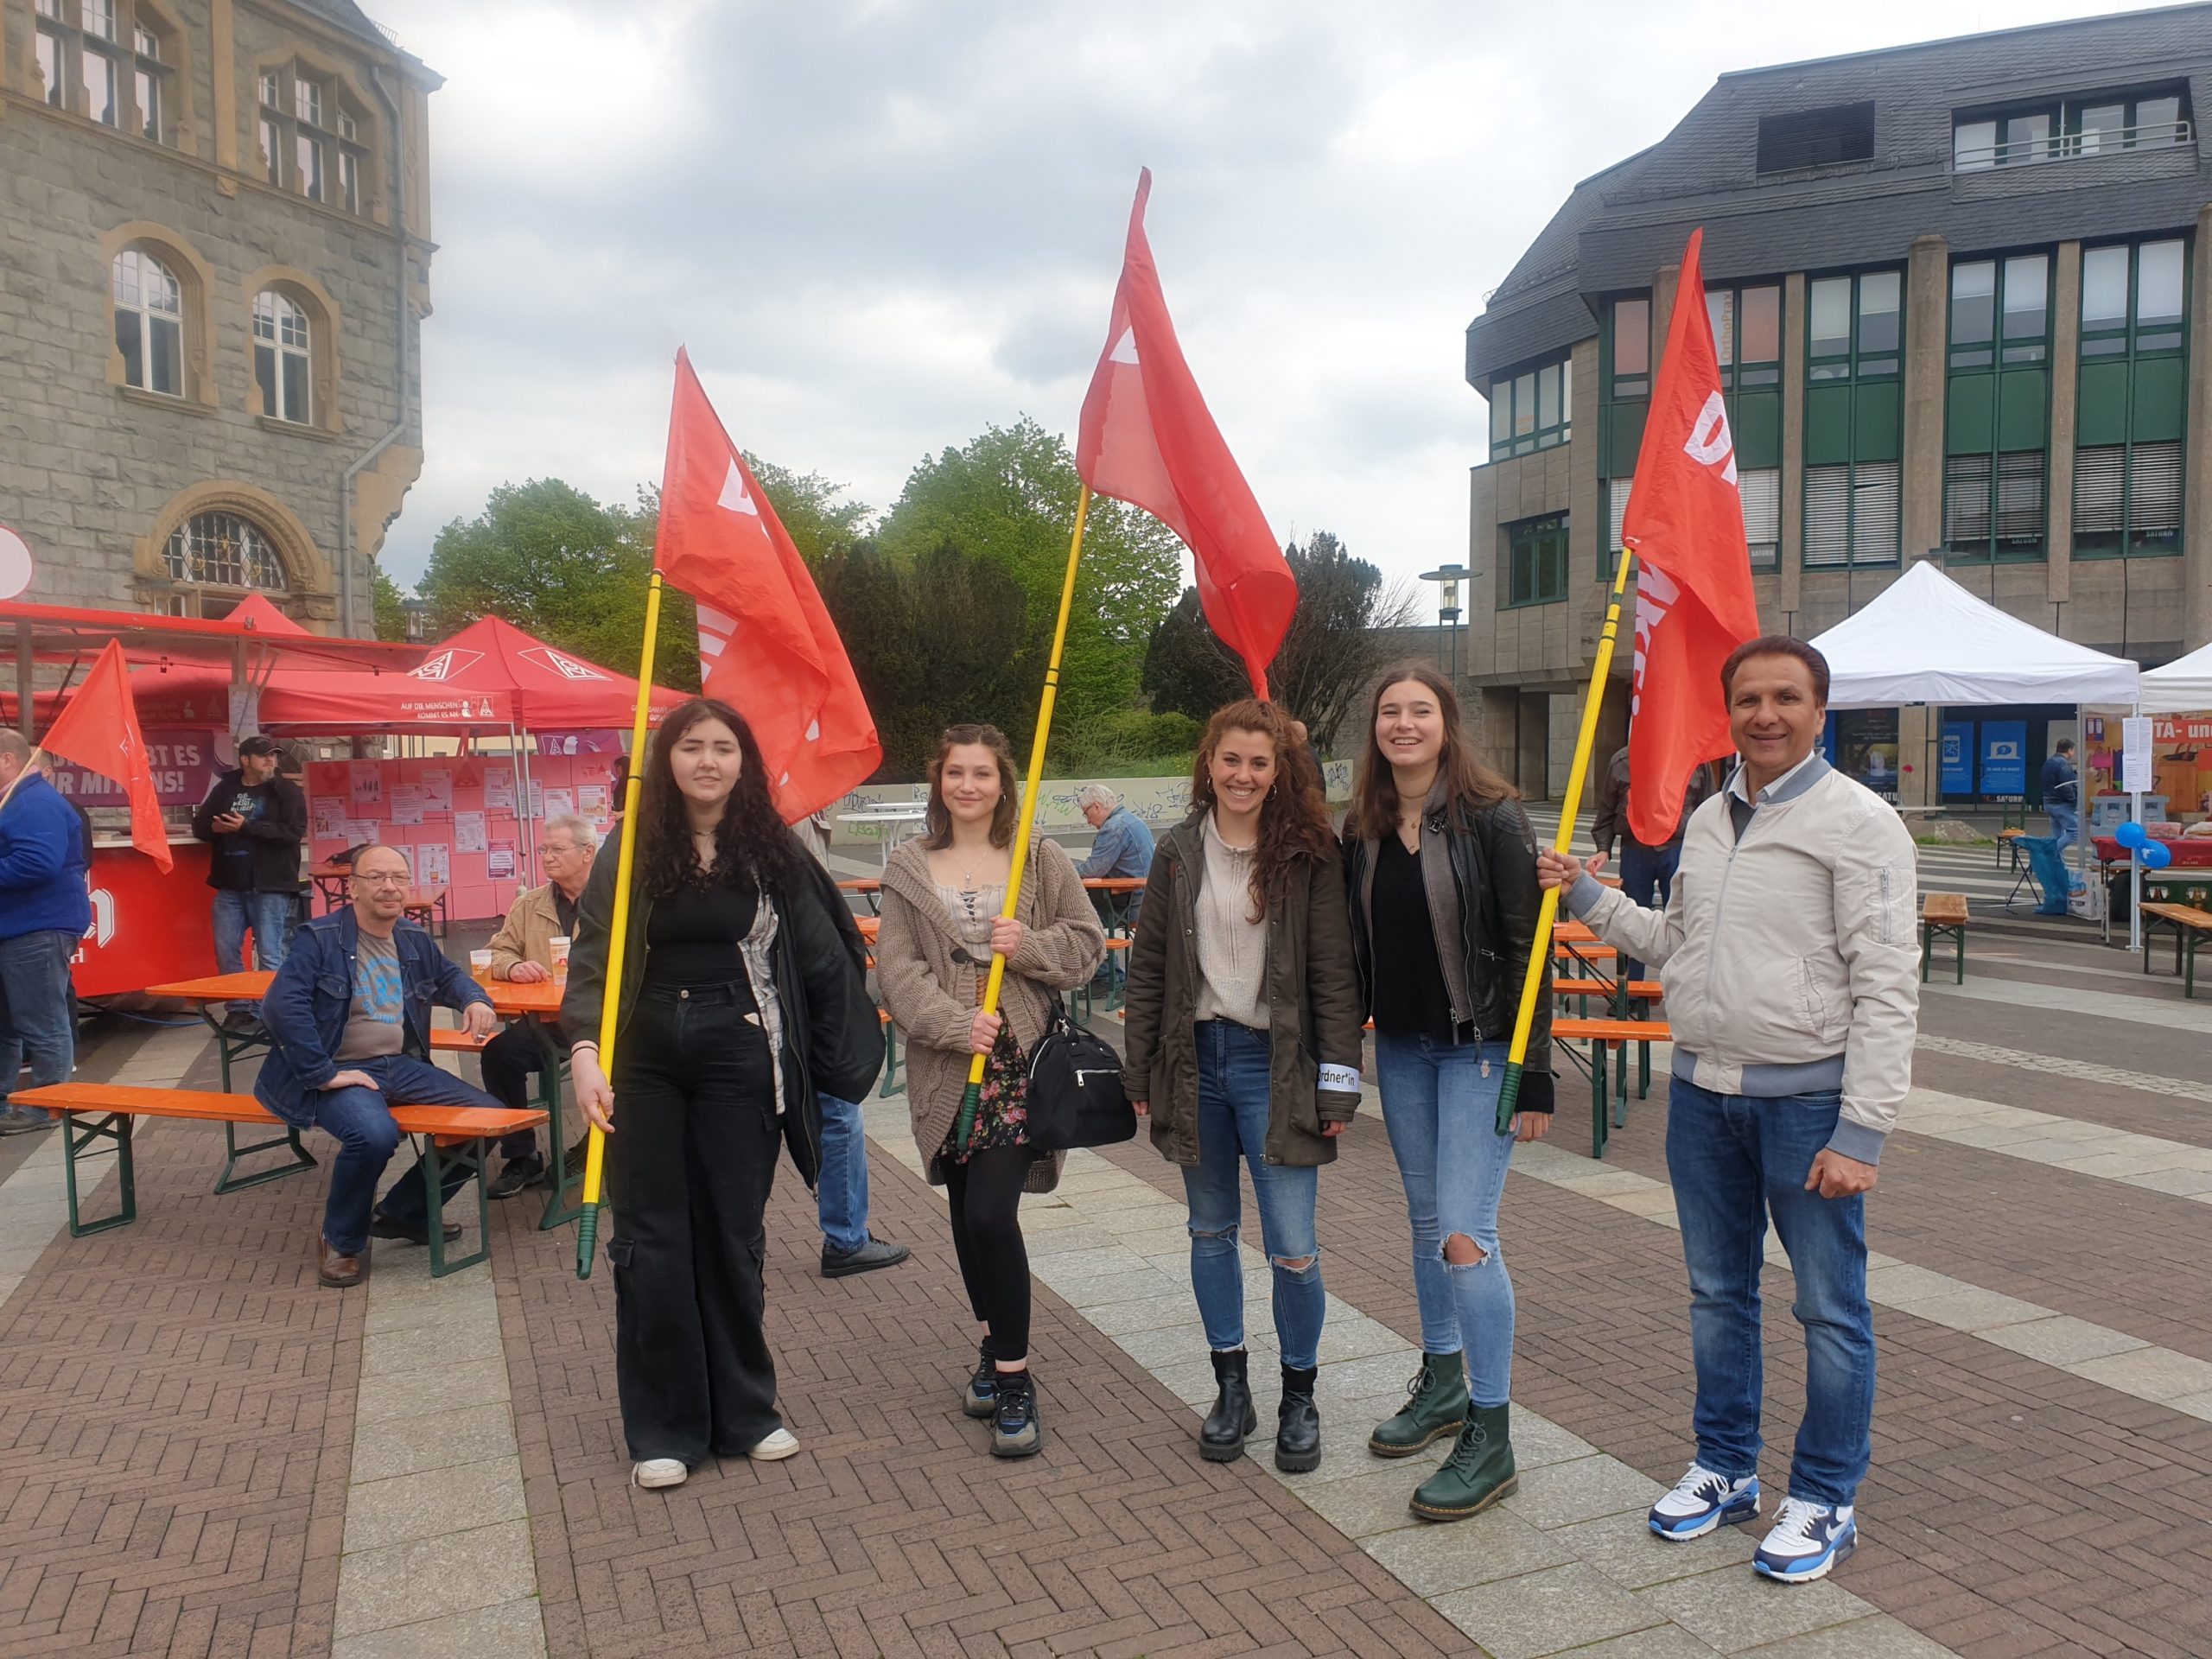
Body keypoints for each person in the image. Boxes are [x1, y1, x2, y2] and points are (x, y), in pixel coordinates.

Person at [1537, 637, 1919, 1586]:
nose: (1765, 714)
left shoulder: (1861, 825)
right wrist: (1589, 893)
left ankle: (1826, 1495)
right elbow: (1676, 944)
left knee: (1830, 1308)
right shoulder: (1711, 819)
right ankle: (1726, 1467)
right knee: (1718, 1296)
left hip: (1807, 1105)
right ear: (1730, 711)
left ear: (1819, 710)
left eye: (1785, 697)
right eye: (1748, 698)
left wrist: (1860, 1130)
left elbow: (1887, 984)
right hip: (1702, 1099)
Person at [564, 698, 883, 1491]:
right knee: (652, 1238)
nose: (708, 761)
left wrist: (842, 1060)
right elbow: (594, 956)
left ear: (744, 762)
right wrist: (580, 1052)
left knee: (734, 1233)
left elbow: (823, 954)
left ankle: (748, 1410)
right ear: (667, 759)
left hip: (739, 1053)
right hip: (639, 1058)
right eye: (691, 747)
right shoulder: (629, 845)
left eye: (724, 748)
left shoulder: (770, 847)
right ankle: (665, 1426)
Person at [1122, 701, 1364, 1475]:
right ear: (1209, 763)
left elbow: (1334, 978)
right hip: (1196, 1063)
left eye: (1259, 763)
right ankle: (1233, 1388)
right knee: (1209, 1232)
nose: (1244, 775)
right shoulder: (1176, 851)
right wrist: (1139, 1075)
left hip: (1276, 1066)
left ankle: (1300, 1395)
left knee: (1293, 1249)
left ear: (1278, 771)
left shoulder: (1307, 853)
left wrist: (1337, 1088)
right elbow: (1150, 967)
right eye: (1231, 760)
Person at [1342, 665, 1553, 1522]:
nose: (1403, 724)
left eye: (1418, 710)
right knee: (1427, 1225)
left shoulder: (1491, 815)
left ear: (1445, 722)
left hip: (1480, 1052)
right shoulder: (1359, 824)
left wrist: (1532, 1067)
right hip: (1401, 1050)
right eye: (1389, 711)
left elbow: (1523, 938)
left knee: (1467, 1233)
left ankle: (1493, 1433)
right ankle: (1442, 1381)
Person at [874, 724, 1104, 1459]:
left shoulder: (1038, 857)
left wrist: (1026, 946)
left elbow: (1087, 945)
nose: (968, 785)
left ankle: (1015, 1378)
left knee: (993, 1214)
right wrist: (948, 1022)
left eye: (981, 773)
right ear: (939, 784)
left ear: (1004, 783)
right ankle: (990, 1342)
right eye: (954, 774)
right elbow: (897, 969)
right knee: (966, 1217)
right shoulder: (909, 864)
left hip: (1019, 1060)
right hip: (950, 1062)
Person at [256, 844, 508, 1289]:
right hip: (339, 1068)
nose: (390, 887)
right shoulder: (319, 938)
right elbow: (281, 1006)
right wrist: (323, 1074)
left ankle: (404, 1214)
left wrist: (474, 998)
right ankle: (341, 1241)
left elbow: (450, 976)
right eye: (376, 877)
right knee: (374, 1135)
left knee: (489, 1119)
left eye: (398, 877)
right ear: (352, 887)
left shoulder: (412, 938)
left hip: (399, 1065)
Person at [793, 815, 910, 1280]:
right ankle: (845, 1239)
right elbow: (828, 938)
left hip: (753, 1012)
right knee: (839, 1112)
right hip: (803, 1007)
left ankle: (723, 1248)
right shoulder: (773, 839)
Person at [481, 814, 597, 1198]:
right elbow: (497, 952)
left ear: (588, 853)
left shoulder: (617, 901)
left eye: (557, 849)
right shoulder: (529, 904)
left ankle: (601, 1149)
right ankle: (522, 1155)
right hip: (550, 1023)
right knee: (499, 1053)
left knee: (633, 1063)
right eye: (544, 849)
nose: (546, 857)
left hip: (607, 1021)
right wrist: (513, 966)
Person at [0, 731, 91, 1136]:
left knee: (41, 1019)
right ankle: (10, 1102)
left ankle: (45, 1106)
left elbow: (37, 863)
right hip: (18, 925)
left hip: (35, 925)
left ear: (6, 760)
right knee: (8, 1022)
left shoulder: (33, 802)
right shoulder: (18, 800)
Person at [192, 734, 307, 1030]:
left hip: (270, 884)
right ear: (245, 760)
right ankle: (239, 1008)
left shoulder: (286, 790)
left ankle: (271, 1011)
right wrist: (216, 829)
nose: (270, 760)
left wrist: (248, 827)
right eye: (263, 755)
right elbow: (200, 826)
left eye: (273, 755)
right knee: (227, 948)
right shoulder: (226, 788)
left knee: (270, 951)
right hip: (230, 883)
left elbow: (293, 833)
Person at [1592, 737, 1717, 984]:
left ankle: (1683, 985)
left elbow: (1711, 807)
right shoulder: (1622, 761)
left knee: (1684, 922)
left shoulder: (1696, 758)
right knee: (1631, 920)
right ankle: (1632, 987)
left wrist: (1709, 849)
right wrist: (1603, 849)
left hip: (1679, 849)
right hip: (1636, 850)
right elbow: (1607, 808)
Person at [1074, 783, 1154, 931]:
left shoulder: (1114, 827)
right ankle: (1106, 954)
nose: (1088, 821)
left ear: (1096, 807)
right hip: (1145, 899)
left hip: (1126, 906)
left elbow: (1093, 869)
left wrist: (1066, 870)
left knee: (1073, 919)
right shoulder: (1135, 821)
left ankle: (1105, 955)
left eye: (1086, 813)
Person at [2041, 738, 2080, 847]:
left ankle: (2056, 863)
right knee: (2073, 832)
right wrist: (2073, 801)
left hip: (2048, 802)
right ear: (2069, 750)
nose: (2073, 753)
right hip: (2061, 803)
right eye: (2073, 750)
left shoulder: (2048, 763)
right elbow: (2066, 786)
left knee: (2056, 835)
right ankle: (2050, 854)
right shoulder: (2064, 764)